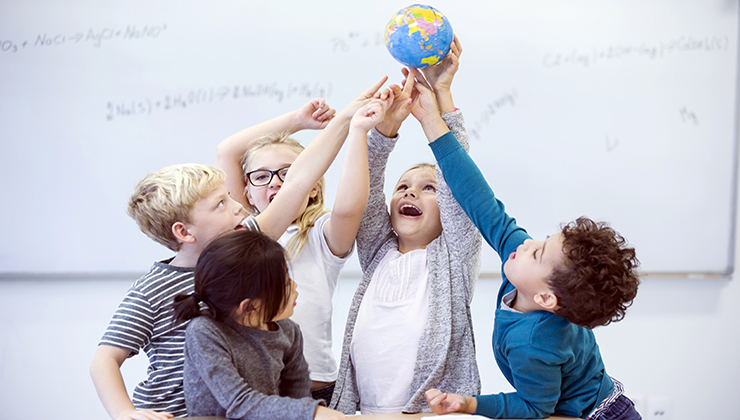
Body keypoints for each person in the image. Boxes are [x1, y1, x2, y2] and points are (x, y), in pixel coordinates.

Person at [89, 83, 384, 420]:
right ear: (184, 232)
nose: (239, 208)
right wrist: (125, 411)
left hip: (238, 410)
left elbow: (300, 181)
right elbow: (104, 359)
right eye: (221, 204)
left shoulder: (247, 242)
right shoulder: (152, 290)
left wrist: (346, 119)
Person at [415, 39, 642, 420]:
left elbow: (536, 408)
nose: (526, 244)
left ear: (547, 300)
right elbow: (477, 198)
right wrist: (435, 113)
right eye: (541, 242)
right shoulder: (527, 271)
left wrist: (469, 404)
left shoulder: (534, 340)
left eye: (538, 252)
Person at [330, 37, 483, 415]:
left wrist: (441, 99)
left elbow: (459, 183)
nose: (409, 193)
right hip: (365, 411)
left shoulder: (454, 255)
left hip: (428, 413)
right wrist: (384, 132)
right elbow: (367, 187)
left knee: (447, 179)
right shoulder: (379, 249)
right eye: (403, 187)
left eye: (427, 188)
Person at [216, 76, 391, 403]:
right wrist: (296, 121)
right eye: (261, 175)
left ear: (311, 186)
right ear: (247, 193)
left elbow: (350, 209)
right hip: (250, 387)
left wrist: (356, 131)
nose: (276, 183)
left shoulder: (318, 234)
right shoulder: (240, 236)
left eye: (288, 172)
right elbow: (228, 150)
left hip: (313, 389)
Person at [171, 229, 346, 420]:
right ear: (250, 307)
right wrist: (312, 412)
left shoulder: (289, 330)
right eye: (284, 283)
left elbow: (296, 391)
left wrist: (305, 411)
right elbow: (239, 403)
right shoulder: (204, 332)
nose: (295, 286)